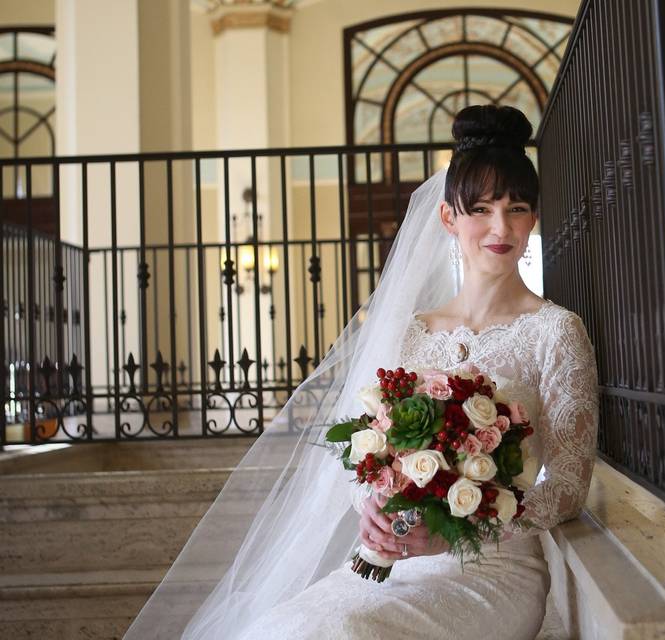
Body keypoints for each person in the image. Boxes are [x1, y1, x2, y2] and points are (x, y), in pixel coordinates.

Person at [124, 104, 599, 640]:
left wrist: (464, 529)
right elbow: (363, 454)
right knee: (282, 629)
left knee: (354, 633)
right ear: (449, 218)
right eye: (481, 209)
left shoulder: (556, 331)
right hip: (389, 563)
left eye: (516, 208)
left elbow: (566, 487)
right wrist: (370, 504)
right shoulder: (410, 331)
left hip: (495, 571)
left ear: (533, 217)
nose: (499, 227)